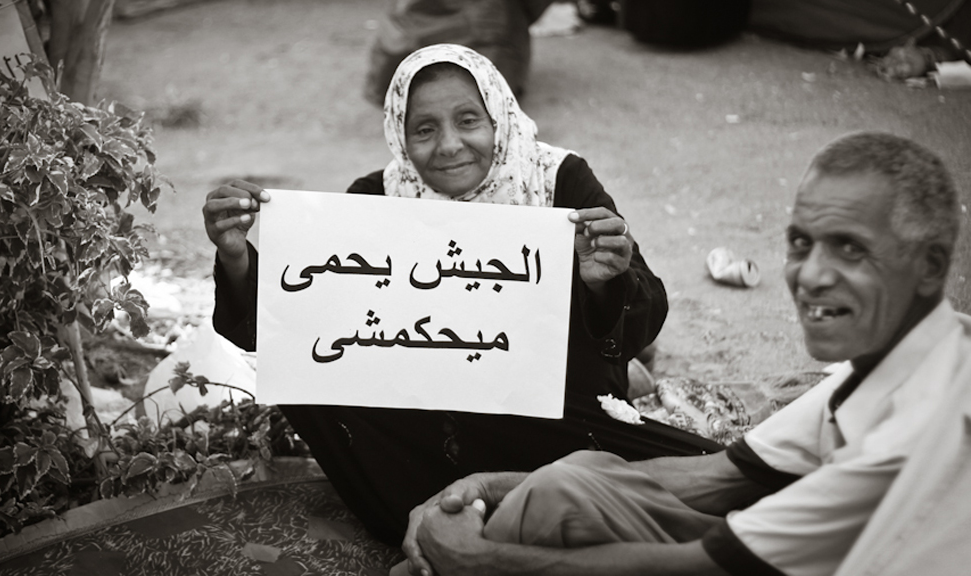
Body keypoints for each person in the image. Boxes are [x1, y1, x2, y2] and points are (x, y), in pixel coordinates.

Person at [202, 43, 721, 546]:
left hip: (558, 422)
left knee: (705, 476)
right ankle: (441, 507)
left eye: (468, 120)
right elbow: (289, 326)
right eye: (424, 129)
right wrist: (236, 256)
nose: (449, 145)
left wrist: (604, 278)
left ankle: (467, 509)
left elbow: (643, 315)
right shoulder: (378, 197)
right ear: (400, 137)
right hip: (428, 429)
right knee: (303, 368)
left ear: (499, 117)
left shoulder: (558, 182)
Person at [400, 131, 969, 576]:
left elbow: (700, 567)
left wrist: (480, 562)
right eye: (801, 243)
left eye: (850, 249)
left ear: (931, 267)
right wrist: (490, 484)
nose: (811, 276)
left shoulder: (917, 433)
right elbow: (722, 476)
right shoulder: (890, 367)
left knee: (544, 518)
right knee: (569, 483)